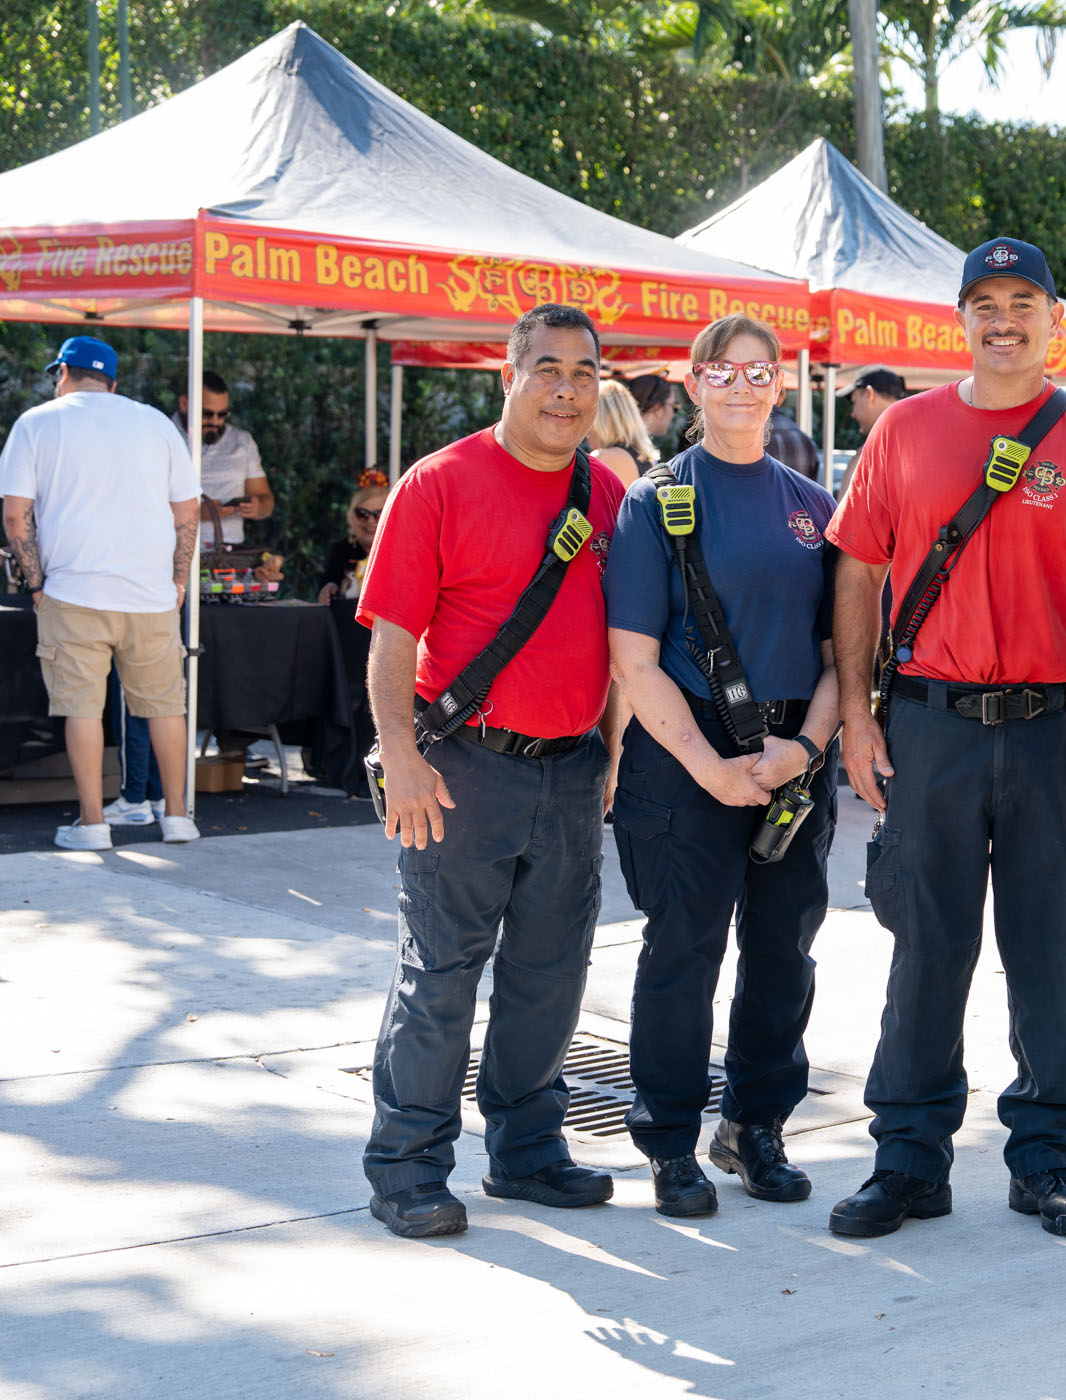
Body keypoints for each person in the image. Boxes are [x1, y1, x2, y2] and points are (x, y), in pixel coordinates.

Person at [826, 236, 1066, 1239]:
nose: (1003, 317)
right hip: (930, 725)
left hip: (1058, 727)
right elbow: (857, 572)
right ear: (960, 318)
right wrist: (853, 709)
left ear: (1058, 320)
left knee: (1052, 945)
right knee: (925, 943)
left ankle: (1046, 1158)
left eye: (1023, 300)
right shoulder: (906, 431)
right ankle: (909, 1158)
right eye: (984, 301)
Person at [357, 303, 627, 1240]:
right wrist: (400, 755)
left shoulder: (608, 497)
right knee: (440, 973)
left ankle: (526, 1152)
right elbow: (393, 636)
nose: (565, 389)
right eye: (546, 368)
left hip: (570, 773)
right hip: (461, 768)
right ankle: (407, 1166)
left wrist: (613, 749)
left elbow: (618, 639)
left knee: (551, 975)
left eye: (584, 372)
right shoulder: (439, 482)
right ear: (506, 377)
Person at [603, 314, 841, 1217]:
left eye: (758, 372)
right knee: (683, 951)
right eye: (722, 371)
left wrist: (805, 751)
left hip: (793, 755)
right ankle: (669, 1139)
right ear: (692, 382)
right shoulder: (654, 498)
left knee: (783, 953)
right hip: (685, 754)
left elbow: (840, 655)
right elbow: (634, 659)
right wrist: (712, 771)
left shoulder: (814, 506)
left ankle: (754, 1127)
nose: (741, 386)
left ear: (780, 385)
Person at [0, 336, 200, 849]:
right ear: (112, 382)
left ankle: (93, 825)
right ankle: (177, 818)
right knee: (164, 707)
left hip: (72, 591)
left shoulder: (36, 423)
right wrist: (178, 580)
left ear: (63, 372)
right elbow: (187, 514)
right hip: (151, 595)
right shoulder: (156, 423)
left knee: (82, 709)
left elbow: (15, 514)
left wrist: (37, 582)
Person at [176, 370, 273, 546]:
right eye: (207, 414)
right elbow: (145, 505)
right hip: (176, 551)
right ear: (184, 403)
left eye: (222, 414)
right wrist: (197, 513)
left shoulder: (242, 441)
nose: (215, 421)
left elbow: (265, 499)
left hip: (230, 553)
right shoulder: (164, 437)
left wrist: (256, 507)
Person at [318, 472, 389, 605]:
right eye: (362, 514)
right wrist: (329, 588)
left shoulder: (401, 552)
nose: (370, 521)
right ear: (352, 517)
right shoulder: (341, 550)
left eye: (378, 514)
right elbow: (327, 581)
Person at [588, 378, 657, 488]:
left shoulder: (602, 458)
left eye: (588, 415)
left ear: (602, 420)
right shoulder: (646, 458)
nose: (585, 424)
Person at [845, 368, 908, 435]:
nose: (853, 414)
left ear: (869, 395)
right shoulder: (911, 433)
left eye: (854, 402)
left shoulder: (892, 440)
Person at [625, 372, 680, 443]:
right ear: (657, 408)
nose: (673, 413)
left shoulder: (628, 443)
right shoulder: (631, 449)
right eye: (674, 406)